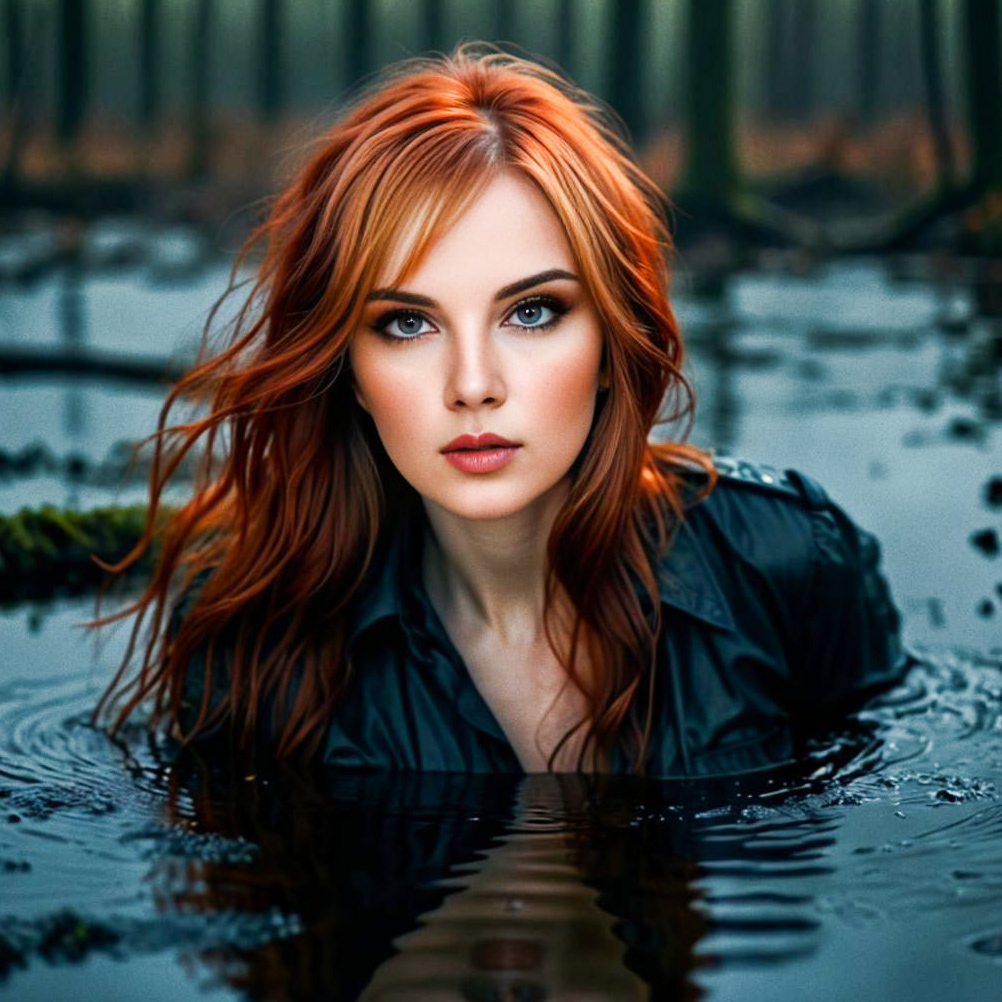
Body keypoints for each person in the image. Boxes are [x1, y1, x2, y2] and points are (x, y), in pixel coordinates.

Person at [93, 43, 907, 778]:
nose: (473, 384)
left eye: (532, 312)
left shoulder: (790, 562)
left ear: (612, 341)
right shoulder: (249, 636)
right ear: (346, 369)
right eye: (406, 323)